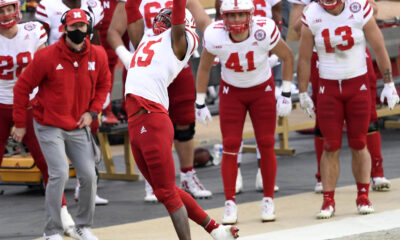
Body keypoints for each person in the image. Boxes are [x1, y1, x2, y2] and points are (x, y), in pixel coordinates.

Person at [123, 1, 239, 239]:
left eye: (166, 17)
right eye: (160, 17)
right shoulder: (149, 40)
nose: (160, 20)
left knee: (165, 191)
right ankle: (216, 230)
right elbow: (132, 12)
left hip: (150, 117)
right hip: (137, 121)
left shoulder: (180, 42)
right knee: (165, 190)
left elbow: (176, 16)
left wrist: (177, 7)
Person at [13, 8, 111, 239]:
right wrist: (19, 123)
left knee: (88, 175)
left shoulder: (98, 54)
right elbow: (22, 87)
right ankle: (52, 230)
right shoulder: (47, 56)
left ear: (89, 28)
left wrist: (93, 112)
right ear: (64, 28)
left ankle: (82, 225)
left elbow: (104, 85)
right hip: (48, 124)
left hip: (78, 124)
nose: (77, 30)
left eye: (81, 26)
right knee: (59, 173)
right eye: (73, 26)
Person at [297, 0, 399, 219]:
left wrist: (389, 84)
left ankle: (363, 196)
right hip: (328, 86)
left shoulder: (359, 7)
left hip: (357, 83)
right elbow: (304, 58)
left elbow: (379, 47)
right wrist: (303, 91)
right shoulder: (311, 14)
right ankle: (328, 200)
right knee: (330, 145)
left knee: (359, 142)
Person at [196, 0, 294, 224]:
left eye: (240, 15)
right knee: (230, 144)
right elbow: (203, 67)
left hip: (262, 89)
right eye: (230, 16)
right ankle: (230, 202)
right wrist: (200, 102)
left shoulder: (264, 29)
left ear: (250, 14)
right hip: (232, 91)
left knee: (266, 142)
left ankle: (268, 199)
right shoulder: (214, 34)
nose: (236, 20)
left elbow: (288, 56)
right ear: (223, 17)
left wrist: (286, 92)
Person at [107, 0, 213, 202]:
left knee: (184, 123)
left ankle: (188, 176)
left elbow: (204, 21)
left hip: (175, 61)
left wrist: (214, 46)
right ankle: (153, 180)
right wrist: (127, 56)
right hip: (146, 63)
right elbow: (114, 31)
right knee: (148, 126)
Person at [0, 0, 77, 236]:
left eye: (10, 8)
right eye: (1, 10)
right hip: (1, 103)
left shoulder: (33, 30)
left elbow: (46, 68)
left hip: (31, 102)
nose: (7, 14)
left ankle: (63, 217)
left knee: (48, 162)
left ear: (18, 8)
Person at [35, 0, 110, 206]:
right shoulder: (48, 6)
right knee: (58, 133)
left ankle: (85, 184)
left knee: (90, 128)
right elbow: (39, 40)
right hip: (58, 73)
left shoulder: (93, 5)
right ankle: (57, 189)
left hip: (87, 70)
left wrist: (101, 75)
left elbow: (98, 41)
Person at [214, 0, 283, 195]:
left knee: (265, 132)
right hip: (236, 56)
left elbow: (277, 13)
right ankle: (236, 172)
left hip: (261, 52)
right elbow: (220, 16)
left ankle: (263, 172)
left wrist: (274, 45)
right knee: (233, 133)